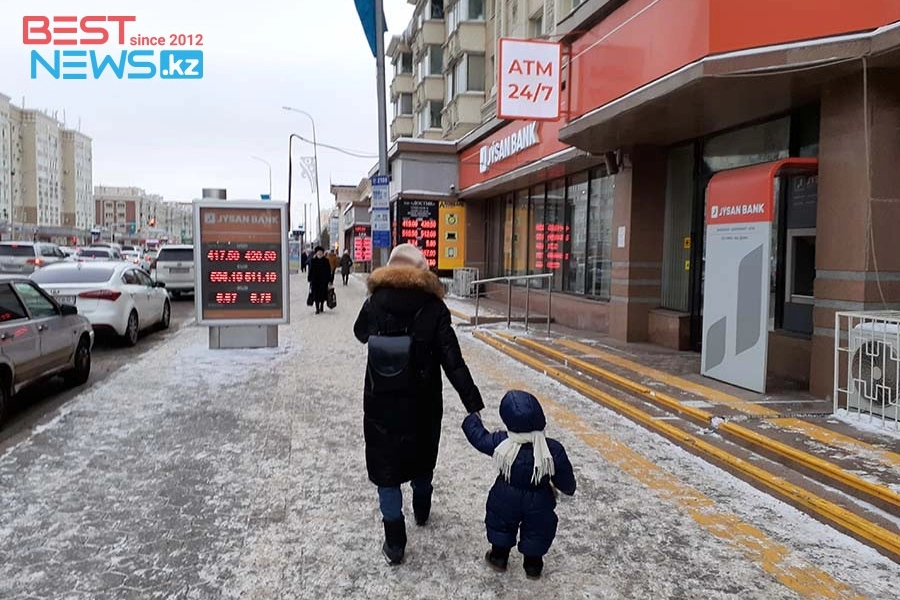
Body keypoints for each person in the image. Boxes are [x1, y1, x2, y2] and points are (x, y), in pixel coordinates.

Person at [353, 243, 484, 566]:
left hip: (380, 401)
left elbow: (360, 334)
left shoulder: (375, 301)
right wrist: (472, 402)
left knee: (386, 470)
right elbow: (452, 359)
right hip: (423, 403)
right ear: (422, 270)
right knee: (422, 459)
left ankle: (395, 542)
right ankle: (422, 510)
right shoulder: (434, 307)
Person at [462, 390, 576, 580]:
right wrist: (567, 487)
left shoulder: (503, 442)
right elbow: (564, 475)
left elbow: (480, 439)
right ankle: (533, 565)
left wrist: (472, 419)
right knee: (538, 530)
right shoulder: (552, 449)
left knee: (501, 524)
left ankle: (499, 557)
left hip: (505, 495)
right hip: (540, 499)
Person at [307, 246, 331, 314]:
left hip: (323, 281)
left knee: (323, 295)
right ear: (316, 253)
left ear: (323, 253)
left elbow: (329, 271)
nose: (319, 253)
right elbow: (310, 270)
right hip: (315, 281)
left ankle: (322, 306)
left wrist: (329, 280)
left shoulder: (326, 261)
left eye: (321, 252)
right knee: (316, 295)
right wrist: (309, 278)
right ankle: (317, 308)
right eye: (318, 252)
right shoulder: (313, 261)